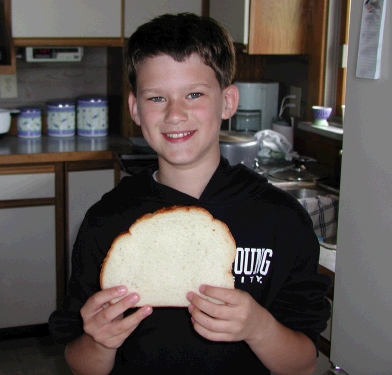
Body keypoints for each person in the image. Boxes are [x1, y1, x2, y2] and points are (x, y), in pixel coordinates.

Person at [49, 12, 331, 375]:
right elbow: (81, 362)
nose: (175, 114)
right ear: (135, 108)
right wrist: (100, 340)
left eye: (194, 94)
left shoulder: (281, 218)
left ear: (228, 102)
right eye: (156, 98)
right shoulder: (107, 220)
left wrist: (258, 328)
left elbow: (304, 362)